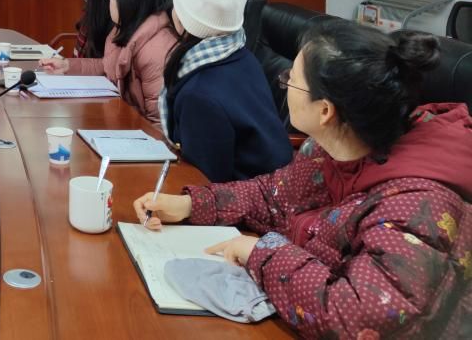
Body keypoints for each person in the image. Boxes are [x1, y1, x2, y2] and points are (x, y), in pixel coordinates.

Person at [133, 21, 471, 339]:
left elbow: (356, 317)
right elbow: (274, 196)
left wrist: (262, 253)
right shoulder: (331, 146)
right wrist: (192, 204)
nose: (284, 85)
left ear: (325, 111)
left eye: (291, 80)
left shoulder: (417, 205)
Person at [159, 0, 290, 183]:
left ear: (184, 22)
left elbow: (204, 183)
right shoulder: (241, 55)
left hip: (247, 196)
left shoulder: (199, 95)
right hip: (271, 184)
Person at [42, 0, 174, 127]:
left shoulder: (155, 50)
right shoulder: (122, 29)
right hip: (124, 123)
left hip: (142, 133)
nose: (108, 2)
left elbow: (160, 122)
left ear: (128, 3)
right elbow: (106, 66)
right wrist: (67, 66)